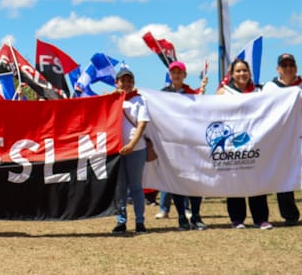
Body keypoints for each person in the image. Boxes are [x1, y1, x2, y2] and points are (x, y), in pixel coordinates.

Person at [217, 58, 272, 229]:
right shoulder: (224, 92)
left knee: (256, 177)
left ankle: (260, 218)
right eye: (238, 71)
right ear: (232, 74)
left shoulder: (259, 91)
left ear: (249, 73)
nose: (242, 74)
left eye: (244, 70)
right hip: (233, 141)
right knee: (235, 177)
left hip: (255, 140)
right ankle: (237, 218)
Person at [159, 61, 207, 230]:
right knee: (176, 180)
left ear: (185, 75)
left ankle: (196, 215)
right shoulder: (162, 95)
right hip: (172, 143)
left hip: (192, 143)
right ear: (170, 75)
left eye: (180, 72)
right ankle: (181, 217)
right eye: (174, 72)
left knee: (196, 180)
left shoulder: (192, 94)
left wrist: (202, 95)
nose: (177, 75)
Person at [260, 53, 301, 226]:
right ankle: (290, 215)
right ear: (278, 69)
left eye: (291, 64)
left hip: (300, 134)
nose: (288, 68)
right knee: (284, 174)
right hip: (282, 137)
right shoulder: (270, 87)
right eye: (284, 65)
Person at [112, 67, 149, 235]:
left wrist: (132, 145)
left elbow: (142, 124)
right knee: (120, 188)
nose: (126, 84)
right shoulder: (112, 99)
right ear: (116, 82)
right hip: (117, 150)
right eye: (123, 81)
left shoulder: (139, 100)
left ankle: (140, 221)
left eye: (129, 81)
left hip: (136, 148)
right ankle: (121, 222)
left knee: (136, 187)